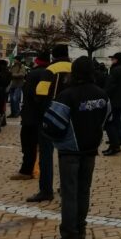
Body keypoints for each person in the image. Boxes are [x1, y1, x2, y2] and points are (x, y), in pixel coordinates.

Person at [42, 56, 110, 239]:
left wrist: (56, 139)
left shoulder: (67, 95)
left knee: (69, 193)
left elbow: (52, 123)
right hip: (90, 149)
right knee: (83, 191)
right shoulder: (102, 94)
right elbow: (108, 117)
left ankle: (69, 237)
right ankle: (80, 229)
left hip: (70, 150)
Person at [28, 43, 71, 202]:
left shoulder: (51, 70)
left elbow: (40, 93)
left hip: (51, 116)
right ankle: (66, 187)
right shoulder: (74, 68)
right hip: (69, 117)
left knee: (46, 155)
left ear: (54, 55)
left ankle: (46, 190)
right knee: (66, 155)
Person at [10, 53, 49, 180]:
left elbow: (30, 94)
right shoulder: (50, 72)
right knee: (43, 146)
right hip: (45, 115)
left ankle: (26, 171)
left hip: (31, 115)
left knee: (28, 144)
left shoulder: (34, 74)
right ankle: (42, 171)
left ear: (37, 61)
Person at [0, 59, 11, 130]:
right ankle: (3, 121)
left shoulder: (0, 73)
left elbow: (2, 82)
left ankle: (0, 121)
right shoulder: (8, 72)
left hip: (0, 91)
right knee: (2, 106)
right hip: (4, 91)